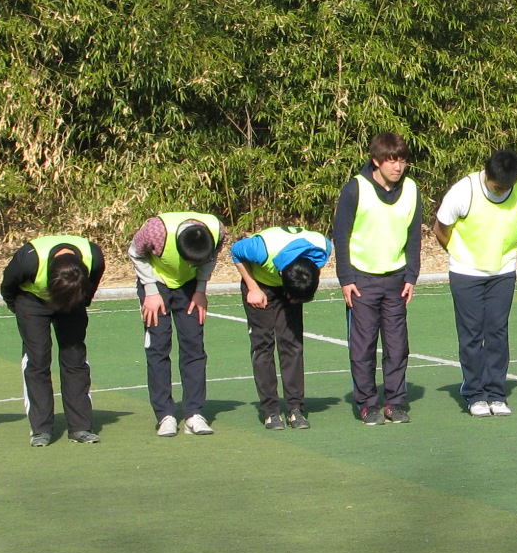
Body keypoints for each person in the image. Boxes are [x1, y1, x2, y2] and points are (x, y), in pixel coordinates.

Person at [435, 150, 517, 416]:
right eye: (497, 188)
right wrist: (460, 255)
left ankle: (496, 393)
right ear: (486, 175)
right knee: (472, 334)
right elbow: (440, 229)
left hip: (503, 270)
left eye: (507, 188)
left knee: (497, 331)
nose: (501, 192)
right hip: (465, 272)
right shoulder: (464, 191)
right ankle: (475, 395)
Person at [333, 132, 421, 425]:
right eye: (391, 161)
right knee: (363, 348)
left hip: (396, 280)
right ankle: (367, 404)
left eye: (402, 161)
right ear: (376, 161)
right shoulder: (355, 189)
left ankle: (394, 402)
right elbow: (341, 235)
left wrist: (411, 275)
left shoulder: (411, 189)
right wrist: (346, 278)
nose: (398, 167)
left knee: (397, 347)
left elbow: (413, 235)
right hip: (362, 281)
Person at [1, 233, 106, 446]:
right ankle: (41, 429)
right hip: (32, 301)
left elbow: (91, 284)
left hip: (73, 296)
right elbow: (8, 286)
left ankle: (80, 427)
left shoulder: (93, 256)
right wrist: (18, 308)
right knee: (37, 359)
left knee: (75, 358)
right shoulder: (29, 259)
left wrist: (80, 297)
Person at [130, 211, 223, 436]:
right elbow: (135, 253)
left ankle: (194, 413)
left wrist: (201, 289)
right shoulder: (155, 231)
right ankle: (165, 415)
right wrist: (150, 290)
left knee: (194, 346)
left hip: (190, 286)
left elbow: (211, 258)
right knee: (158, 347)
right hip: (156, 283)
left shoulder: (217, 230)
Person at [231, 226, 331, 429]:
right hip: (260, 284)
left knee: (292, 344)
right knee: (263, 345)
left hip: (294, 279)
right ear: (281, 272)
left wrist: (297, 295)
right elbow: (235, 251)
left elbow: (311, 275)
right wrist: (252, 287)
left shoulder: (322, 247)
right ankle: (270, 411)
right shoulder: (260, 249)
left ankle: (295, 408)